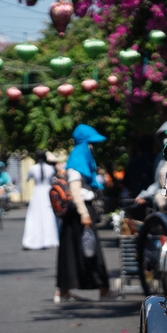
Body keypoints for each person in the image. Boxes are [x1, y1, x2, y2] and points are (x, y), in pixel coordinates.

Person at [56, 124, 114, 303]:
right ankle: (104, 290)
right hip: (79, 212)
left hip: (77, 213)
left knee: (72, 252)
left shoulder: (79, 159)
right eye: (91, 143)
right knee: (90, 251)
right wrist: (84, 214)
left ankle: (64, 291)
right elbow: (75, 190)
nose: (93, 147)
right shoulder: (77, 161)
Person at [21, 154, 60, 251]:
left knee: (35, 216)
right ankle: (50, 238)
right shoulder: (50, 168)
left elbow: (27, 179)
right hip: (47, 192)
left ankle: (33, 239)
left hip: (37, 192)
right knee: (49, 215)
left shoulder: (33, 168)